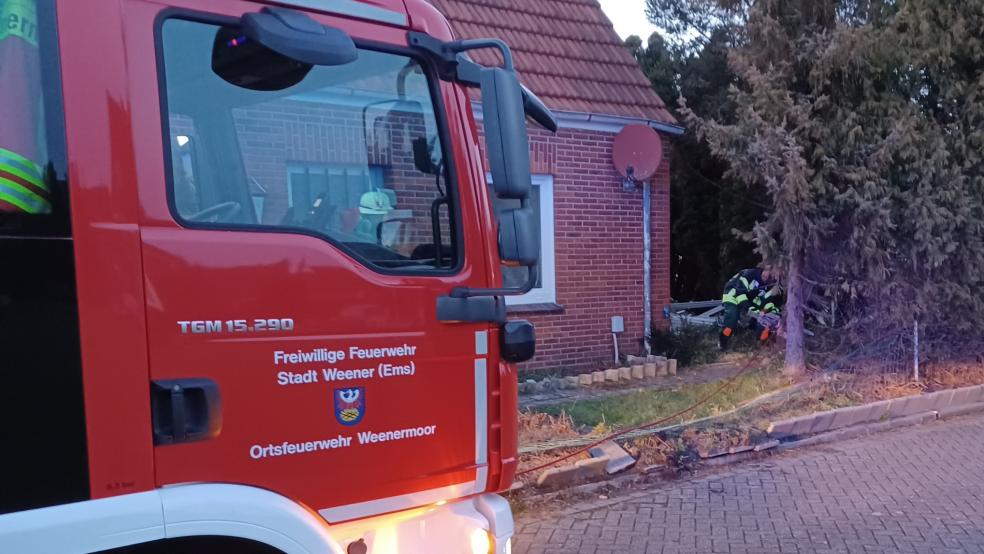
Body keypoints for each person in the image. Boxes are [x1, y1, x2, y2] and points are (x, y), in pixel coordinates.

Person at [719, 267, 777, 350]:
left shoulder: (768, 285)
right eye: (769, 272)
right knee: (731, 320)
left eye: (773, 275)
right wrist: (749, 308)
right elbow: (739, 293)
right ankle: (723, 343)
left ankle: (756, 340)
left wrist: (759, 312)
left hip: (746, 299)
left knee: (761, 320)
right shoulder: (749, 274)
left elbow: (759, 301)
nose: (770, 276)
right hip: (732, 295)